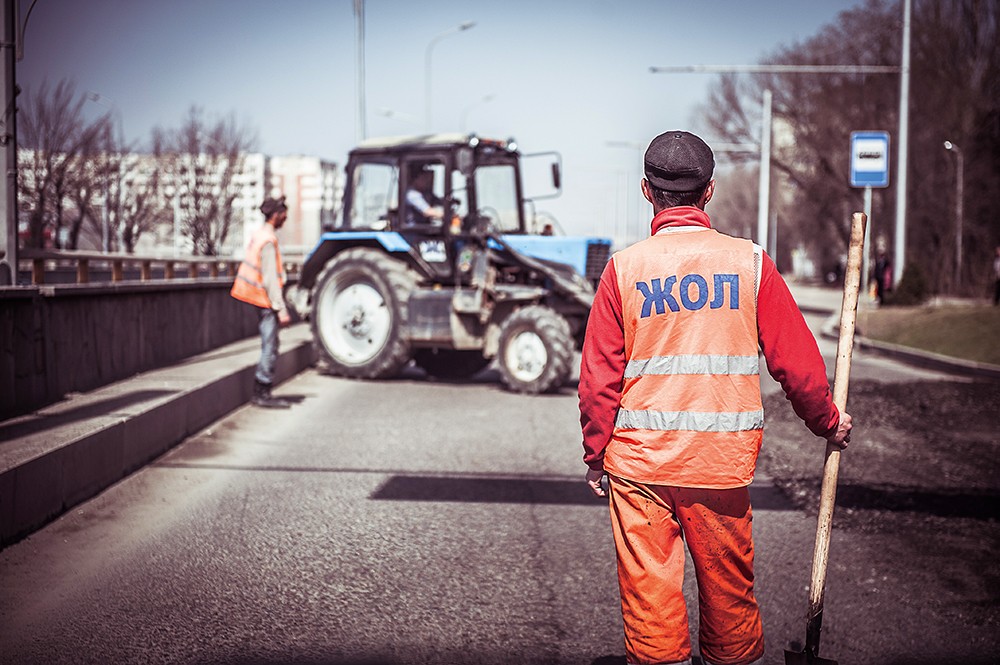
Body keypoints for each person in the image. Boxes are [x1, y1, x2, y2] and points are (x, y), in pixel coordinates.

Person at [578, 130, 852, 665]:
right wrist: (827, 421)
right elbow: (795, 363)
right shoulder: (750, 264)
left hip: (640, 466)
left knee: (650, 605)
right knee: (730, 604)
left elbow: (598, 378)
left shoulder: (624, 269)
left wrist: (596, 455)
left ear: (646, 190)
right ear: (709, 193)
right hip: (720, 466)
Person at [230, 196, 292, 409]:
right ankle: (262, 391)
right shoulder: (268, 240)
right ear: (275, 215)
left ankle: (262, 390)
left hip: (256, 297)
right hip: (264, 300)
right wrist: (281, 309)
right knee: (270, 345)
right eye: (284, 214)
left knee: (270, 344)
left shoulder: (260, 235)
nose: (286, 218)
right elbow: (270, 279)